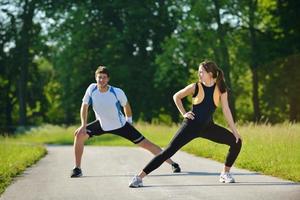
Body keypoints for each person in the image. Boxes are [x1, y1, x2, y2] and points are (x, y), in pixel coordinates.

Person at [129, 60, 242, 187]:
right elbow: (176, 96)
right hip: (190, 126)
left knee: (237, 142)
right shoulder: (196, 86)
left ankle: (225, 173)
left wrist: (235, 131)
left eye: (201, 72)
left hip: (208, 127)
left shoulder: (221, 89)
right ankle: (139, 177)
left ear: (210, 73)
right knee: (167, 152)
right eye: (199, 72)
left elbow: (226, 110)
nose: (199, 74)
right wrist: (184, 113)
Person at [71, 66, 181, 177]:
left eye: (104, 77)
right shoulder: (91, 89)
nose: (101, 80)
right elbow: (84, 107)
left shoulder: (117, 92)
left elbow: (126, 106)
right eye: (99, 77)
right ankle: (77, 168)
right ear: (95, 78)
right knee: (79, 134)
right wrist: (83, 125)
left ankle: (173, 164)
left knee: (147, 145)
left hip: (121, 125)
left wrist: (129, 121)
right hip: (102, 124)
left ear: (108, 79)